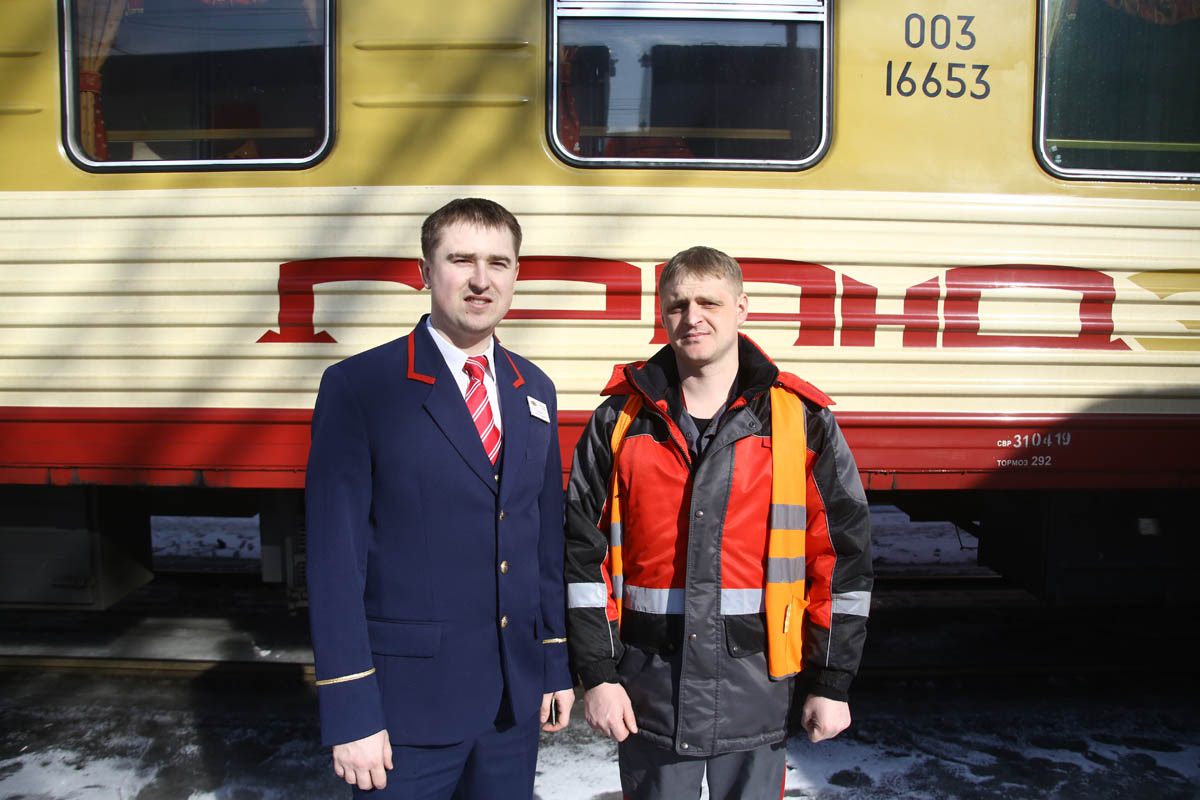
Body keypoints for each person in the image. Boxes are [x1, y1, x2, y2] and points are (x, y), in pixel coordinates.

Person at [564, 246, 872, 799]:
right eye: (678, 304)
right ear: (662, 315)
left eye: (710, 301)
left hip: (757, 690)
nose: (693, 316)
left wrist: (832, 680)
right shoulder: (619, 419)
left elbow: (842, 557)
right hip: (646, 692)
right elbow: (581, 557)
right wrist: (598, 675)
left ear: (742, 308)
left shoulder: (799, 420)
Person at [305, 198, 575, 798]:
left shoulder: (536, 389)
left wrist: (554, 663)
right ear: (424, 272)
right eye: (462, 260)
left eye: (499, 263)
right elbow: (333, 561)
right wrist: (352, 710)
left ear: (515, 277)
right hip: (407, 713)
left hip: (511, 708)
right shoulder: (362, 387)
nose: (482, 280)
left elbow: (543, 540)